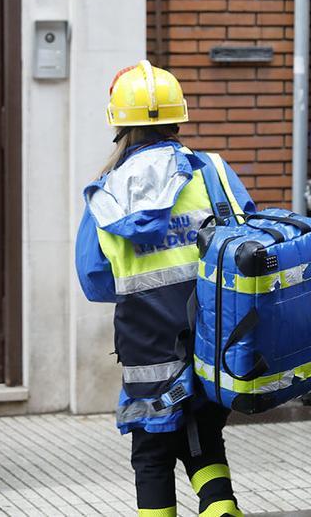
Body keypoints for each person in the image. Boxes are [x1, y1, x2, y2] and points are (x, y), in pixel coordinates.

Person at [76, 61, 255, 517]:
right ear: (179, 118)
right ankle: (220, 508)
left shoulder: (107, 194)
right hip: (216, 337)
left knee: (151, 455)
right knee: (203, 434)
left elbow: (94, 280)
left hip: (146, 344)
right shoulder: (213, 172)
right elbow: (246, 238)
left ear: (120, 126)